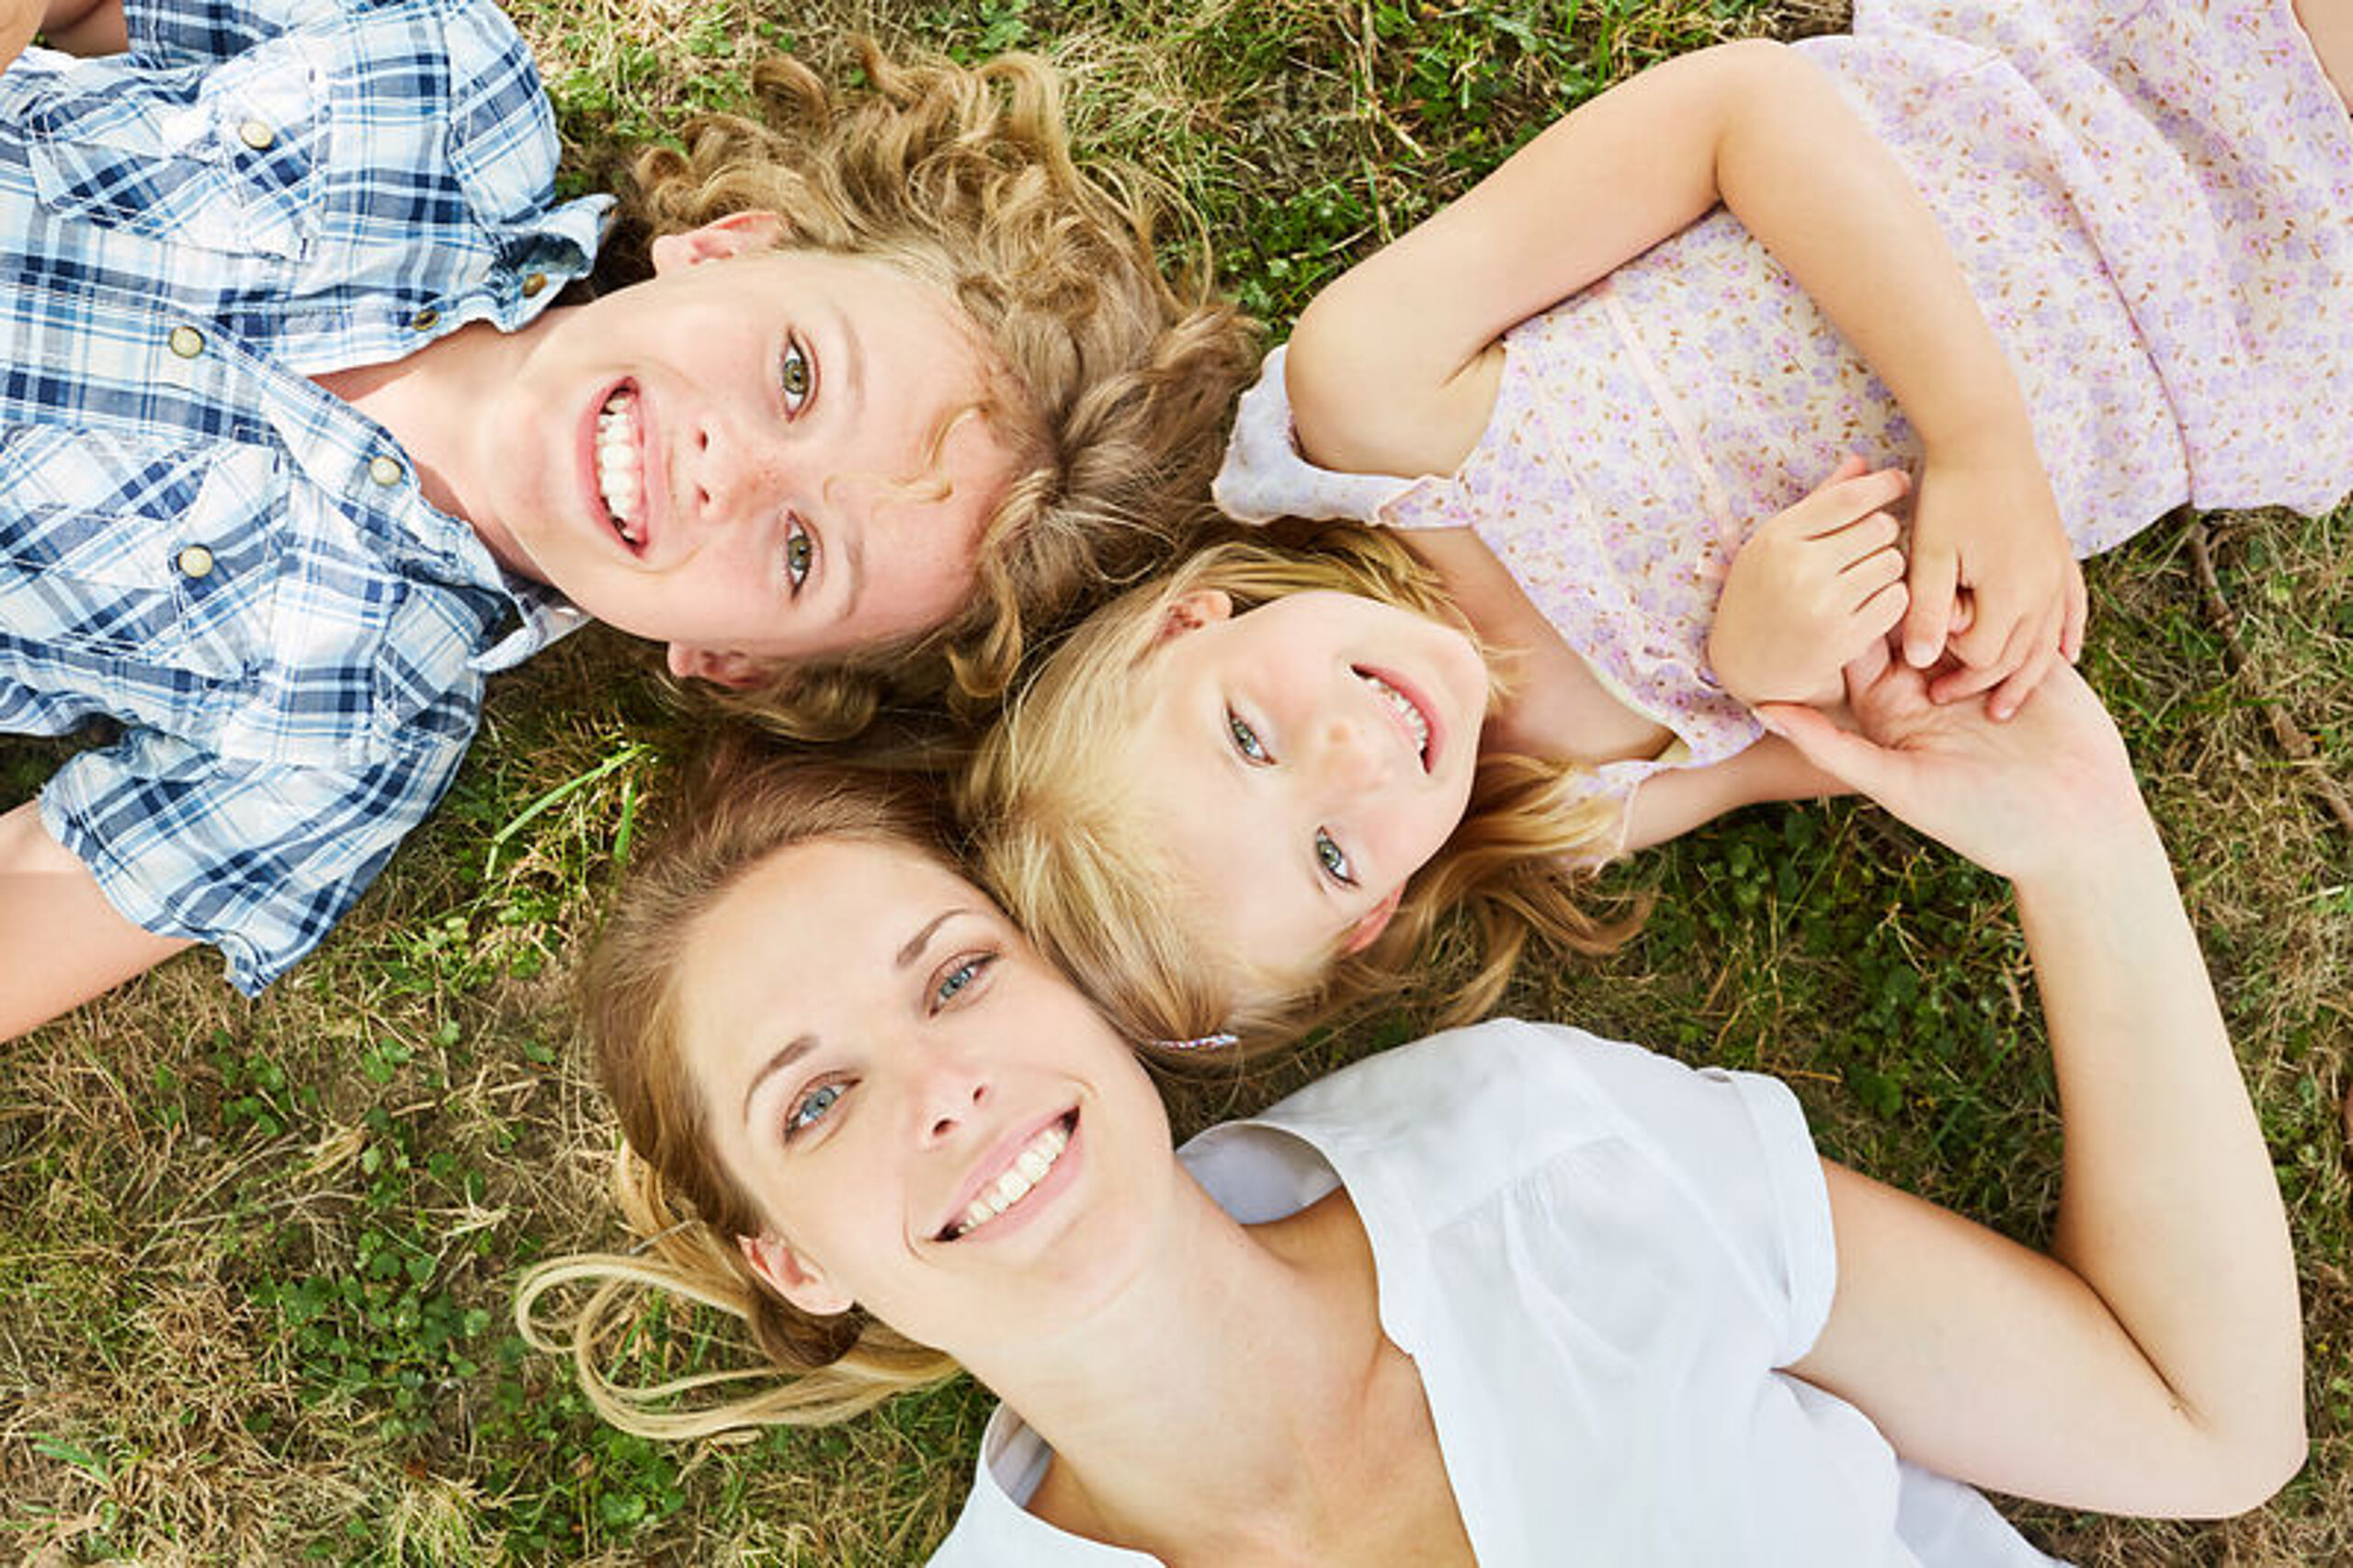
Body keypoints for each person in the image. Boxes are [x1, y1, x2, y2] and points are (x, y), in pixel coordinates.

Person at [522, 657, 2302, 1564]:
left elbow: (2195, 1423)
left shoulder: (1537, 1159)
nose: (944, 1088)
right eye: (818, 1099)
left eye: (958, 975)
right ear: (790, 1255)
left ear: (1088, 984)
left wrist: (2077, 832)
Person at [0, 0, 1256, 1039]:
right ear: (728, 248)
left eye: (803, 553)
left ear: (735, 662)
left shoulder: (354, 731)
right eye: (798, 377)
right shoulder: (440, 88)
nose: (732, 470)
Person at [1208, 0, 2353, 854]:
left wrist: (1977, 434)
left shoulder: (1370, 402)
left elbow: (1739, 110)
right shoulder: (1580, 811)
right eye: (1329, 855)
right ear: (1371, 921)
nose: (1352, 764)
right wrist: (1769, 682)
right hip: (2229, 369)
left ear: (1175, 629)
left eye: (1247, 740)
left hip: (2062, 115)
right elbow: (1920, 731)